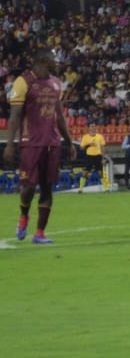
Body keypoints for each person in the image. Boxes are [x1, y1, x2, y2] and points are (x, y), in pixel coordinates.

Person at [6, 48, 74, 245]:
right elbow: (15, 116)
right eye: (54, 59)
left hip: (52, 142)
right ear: (43, 60)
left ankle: (39, 233)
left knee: (47, 187)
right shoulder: (23, 82)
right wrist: (10, 144)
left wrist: (69, 142)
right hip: (31, 142)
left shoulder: (56, 83)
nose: (57, 62)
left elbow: (59, 116)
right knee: (28, 186)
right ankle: (24, 215)